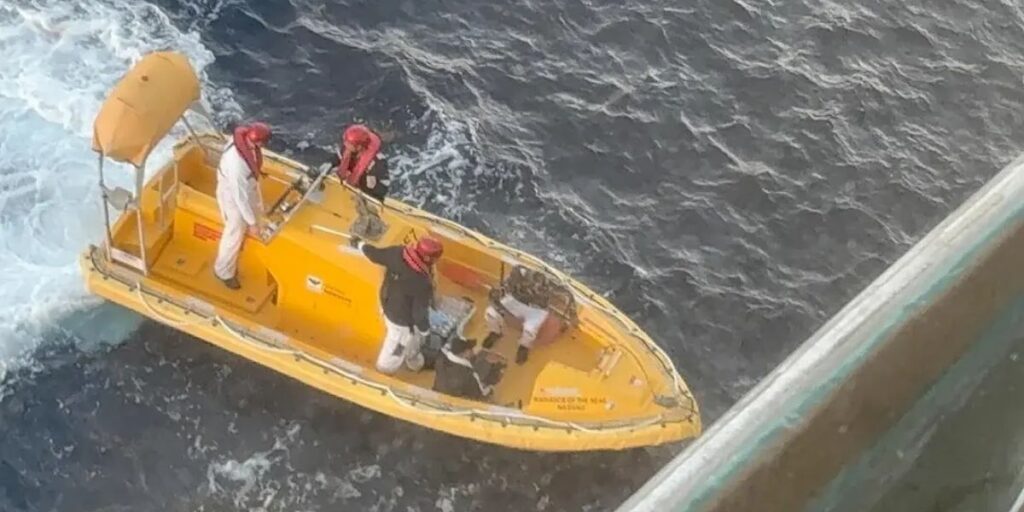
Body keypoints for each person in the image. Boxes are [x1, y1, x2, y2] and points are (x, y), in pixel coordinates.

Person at [350, 235, 444, 374]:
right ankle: (385, 370)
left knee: (412, 337)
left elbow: (374, 254)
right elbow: (419, 313)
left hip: (387, 301)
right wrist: (426, 331)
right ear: (429, 259)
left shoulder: (397, 253)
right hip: (400, 321)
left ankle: (414, 360)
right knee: (397, 346)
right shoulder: (422, 283)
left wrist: (359, 244)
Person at [214, 122, 271, 290]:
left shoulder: (243, 142)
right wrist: (251, 224)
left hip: (248, 185)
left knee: (257, 210)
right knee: (234, 231)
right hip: (232, 195)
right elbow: (240, 197)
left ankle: (256, 225)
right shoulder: (236, 164)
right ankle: (223, 271)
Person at [482, 264, 576, 365]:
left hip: (537, 308)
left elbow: (568, 293)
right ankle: (495, 332)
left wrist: (572, 313)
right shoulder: (518, 270)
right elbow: (505, 286)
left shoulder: (551, 279)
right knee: (491, 312)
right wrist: (499, 301)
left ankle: (524, 346)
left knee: (530, 329)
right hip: (516, 300)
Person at [328, 124, 390, 202]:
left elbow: (381, 187)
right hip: (343, 188)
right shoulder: (346, 150)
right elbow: (334, 162)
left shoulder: (377, 162)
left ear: (359, 146)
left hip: (364, 197)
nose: (346, 145)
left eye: (350, 144)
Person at [432, 337, 506, 400]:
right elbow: (480, 394)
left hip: (437, 395)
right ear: (466, 352)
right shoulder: (469, 375)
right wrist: (490, 388)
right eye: (471, 349)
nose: (473, 350)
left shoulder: (440, 360)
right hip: (456, 403)